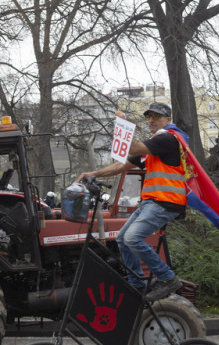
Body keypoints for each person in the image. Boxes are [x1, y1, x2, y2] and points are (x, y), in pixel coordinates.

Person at [76, 102, 186, 302]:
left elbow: (133, 146)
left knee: (132, 238)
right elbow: (122, 165)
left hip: (165, 202)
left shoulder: (168, 138)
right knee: (122, 239)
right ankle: (137, 285)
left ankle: (168, 278)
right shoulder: (154, 145)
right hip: (152, 202)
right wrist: (93, 173)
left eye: (156, 116)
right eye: (148, 117)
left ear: (168, 119)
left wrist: (122, 124)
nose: (151, 120)